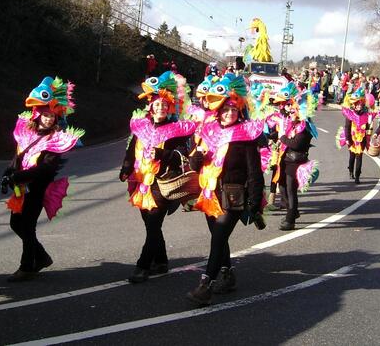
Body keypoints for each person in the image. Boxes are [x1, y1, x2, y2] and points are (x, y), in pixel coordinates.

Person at [186, 74, 265, 306]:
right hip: (210, 194)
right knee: (218, 239)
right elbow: (195, 164)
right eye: (226, 110)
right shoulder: (209, 131)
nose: (230, 113)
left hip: (233, 195)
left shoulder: (246, 135)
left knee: (218, 238)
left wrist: (255, 201)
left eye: (233, 110)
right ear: (218, 111)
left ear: (240, 111)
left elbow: (255, 172)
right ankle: (228, 275)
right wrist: (196, 159)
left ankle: (205, 285)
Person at [3, 76, 84, 282]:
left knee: (27, 226)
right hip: (21, 189)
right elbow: (19, 156)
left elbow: (46, 169)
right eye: (45, 115)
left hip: (38, 189)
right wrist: (8, 173)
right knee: (16, 223)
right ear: (38, 115)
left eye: (52, 116)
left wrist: (20, 176)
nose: (48, 119)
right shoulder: (27, 133)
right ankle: (41, 257)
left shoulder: (55, 141)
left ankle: (27, 267)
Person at [119, 71, 196, 283]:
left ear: (169, 107)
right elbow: (131, 150)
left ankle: (142, 266)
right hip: (141, 183)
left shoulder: (176, 130)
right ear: (151, 107)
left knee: (153, 224)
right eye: (157, 105)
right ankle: (161, 261)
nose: (161, 108)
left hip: (161, 183)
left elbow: (181, 155)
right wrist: (125, 168)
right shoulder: (140, 127)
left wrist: (163, 154)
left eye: (164, 105)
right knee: (151, 226)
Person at [267, 83, 320, 230]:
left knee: (291, 191)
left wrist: (282, 137)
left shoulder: (304, 128)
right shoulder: (293, 124)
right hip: (286, 161)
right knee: (283, 187)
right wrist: (270, 137)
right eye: (290, 109)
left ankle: (290, 220)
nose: (290, 111)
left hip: (295, 163)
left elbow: (296, 144)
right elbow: (280, 135)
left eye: (293, 109)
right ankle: (293, 211)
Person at [337, 88, 373, 185]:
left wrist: (370, 126)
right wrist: (347, 139)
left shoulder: (366, 115)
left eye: (360, 104)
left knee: (359, 157)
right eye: (357, 104)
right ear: (354, 105)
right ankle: (350, 170)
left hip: (361, 140)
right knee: (352, 156)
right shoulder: (350, 114)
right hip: (352, 139)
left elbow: (368, 128)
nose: (358, 106)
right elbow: (347, 127)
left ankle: (357, 176)